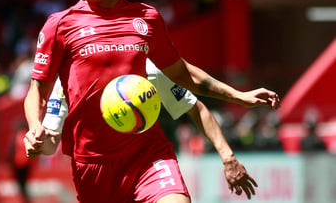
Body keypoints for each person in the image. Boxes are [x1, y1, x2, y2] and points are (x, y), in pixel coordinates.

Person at [23, 0, 280, 203]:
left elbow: (182, 73)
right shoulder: (60, 25)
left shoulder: (147, 18)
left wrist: (238, 95)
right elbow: (37, 90)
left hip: (147, 154)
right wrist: (33, 127)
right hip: (93, 165)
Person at [27, 58, 258, 199]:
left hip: (149, 158)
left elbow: (195, 108)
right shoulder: (68, 78)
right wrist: (39, 139)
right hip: (96, 172)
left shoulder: (146, 68)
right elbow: (50, 143)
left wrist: (228, 157)